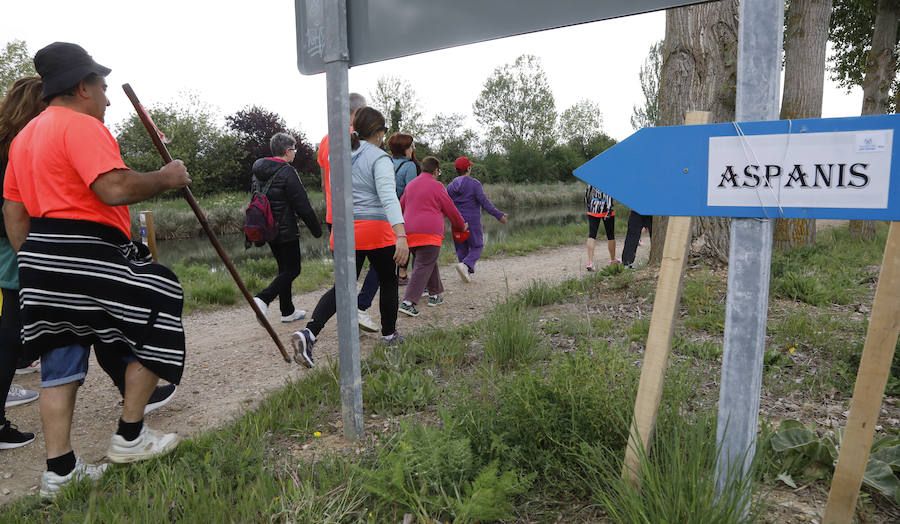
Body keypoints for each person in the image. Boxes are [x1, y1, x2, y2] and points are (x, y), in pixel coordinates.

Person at [3, 42, 191, 497]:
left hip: (41, 255)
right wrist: (168, 177)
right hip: (89, 246)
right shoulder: (82, 126)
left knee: (60, 352)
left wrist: (37, 259)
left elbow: (13, 211)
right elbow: (112, 187)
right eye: (103, 88)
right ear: (82, 87)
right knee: (160, 302)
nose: (107, 98)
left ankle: (60, 470)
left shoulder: (24, 137)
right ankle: (130, 437)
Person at [292, 107, 409, 365]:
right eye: (382, 132)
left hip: (345, 231)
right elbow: (388, 198)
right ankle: (389, 335)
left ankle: (309, 332)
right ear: (378, 133)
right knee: (388, 282)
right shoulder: (379, 158)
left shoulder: (340, 156)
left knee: (343, 288)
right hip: (377, 231)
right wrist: (401, 235)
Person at [317, 93, 379, 333]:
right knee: (389, 261)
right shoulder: (361, 138)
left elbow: (325, 183)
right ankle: (360, 309)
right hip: (363, 216)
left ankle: (349, 320)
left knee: (346, 278)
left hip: (335, 218)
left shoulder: (325, 139)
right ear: (360, 111)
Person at [252, 132, 322, 323]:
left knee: (284, 268)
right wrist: (316, 229)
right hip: (286, 229)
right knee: (293, 269)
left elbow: (254, 197)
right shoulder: (287, 171)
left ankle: (287, 310)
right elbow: (302, 204)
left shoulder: (258, 170)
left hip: (267, 228)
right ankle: (262, 298)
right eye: (294, 149)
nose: (295, 153)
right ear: (286, 151)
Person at [356, 132, 417, 321]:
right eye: (412, 146)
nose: (414, 149)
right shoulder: (409, 167)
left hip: (377, 217)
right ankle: (363, 304)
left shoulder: (386, 161)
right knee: (385, 266)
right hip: (397, 218)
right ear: (405, 148)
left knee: (381, 263)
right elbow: (413, 194)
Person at [398, 156, 466, 317]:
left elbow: (400, 206)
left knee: (428, 261)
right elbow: (450, 209)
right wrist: (461, 225)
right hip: (430, 233)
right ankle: (408, 302)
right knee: (423, 264)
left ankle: (434, 295)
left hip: (409, 233)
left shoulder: (411, 185)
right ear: (436, 171)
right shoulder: (437, 186)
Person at [446, 157, 507, 282]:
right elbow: (485, 203)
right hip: (472, 221)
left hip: (456, 221)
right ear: (468, 168)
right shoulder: (474, 184)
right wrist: (498, 215)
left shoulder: (450, 187)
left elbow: (446, 204)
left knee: (461, 247)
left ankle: (465, 271)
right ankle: (466, 266)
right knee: (478, 246)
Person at [584, 184, 619, 271]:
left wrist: (589, 205)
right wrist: (609, 209)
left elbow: (587, 192)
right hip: (606, 207)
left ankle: (590, 262)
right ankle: (612, 260)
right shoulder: (608, 178)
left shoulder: (593, 176)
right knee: (610, 236)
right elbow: (609, 194)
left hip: (594, 206)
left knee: (592, 235)